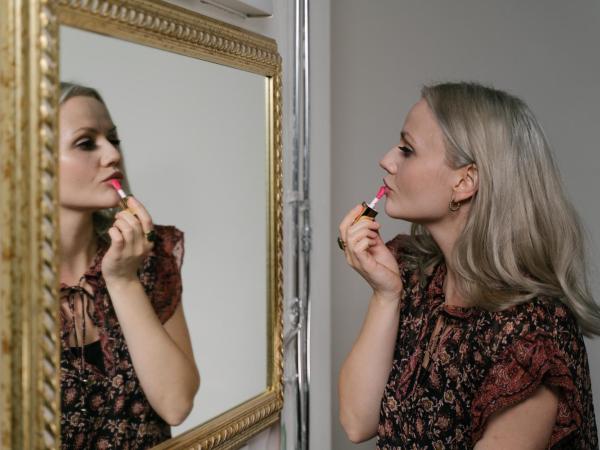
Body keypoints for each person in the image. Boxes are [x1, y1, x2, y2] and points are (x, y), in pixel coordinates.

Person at [338, 82, 599, 449]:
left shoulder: (530, 336)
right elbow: (356, 421)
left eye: (407, 149)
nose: (387, 159)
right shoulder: (414, 274)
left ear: (465, 181)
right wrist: (385, 295)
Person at [59, 82, 200, 449]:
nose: (111, 154)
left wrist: (123, 281)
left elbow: (176, 404)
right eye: (86, 142)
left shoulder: (148, 258)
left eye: (113, 138)